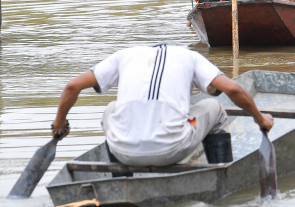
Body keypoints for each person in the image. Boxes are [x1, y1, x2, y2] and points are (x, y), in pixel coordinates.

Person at [50, 44, 273, 167]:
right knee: (215, 108)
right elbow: (233, 89)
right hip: (172, 148)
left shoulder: (124, 56)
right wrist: (260, 119)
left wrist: (59, 125)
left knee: (110, 109)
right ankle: (220, 173)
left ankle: (121, 181)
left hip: (122, 151)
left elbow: (72, 87)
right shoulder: (191, 58)